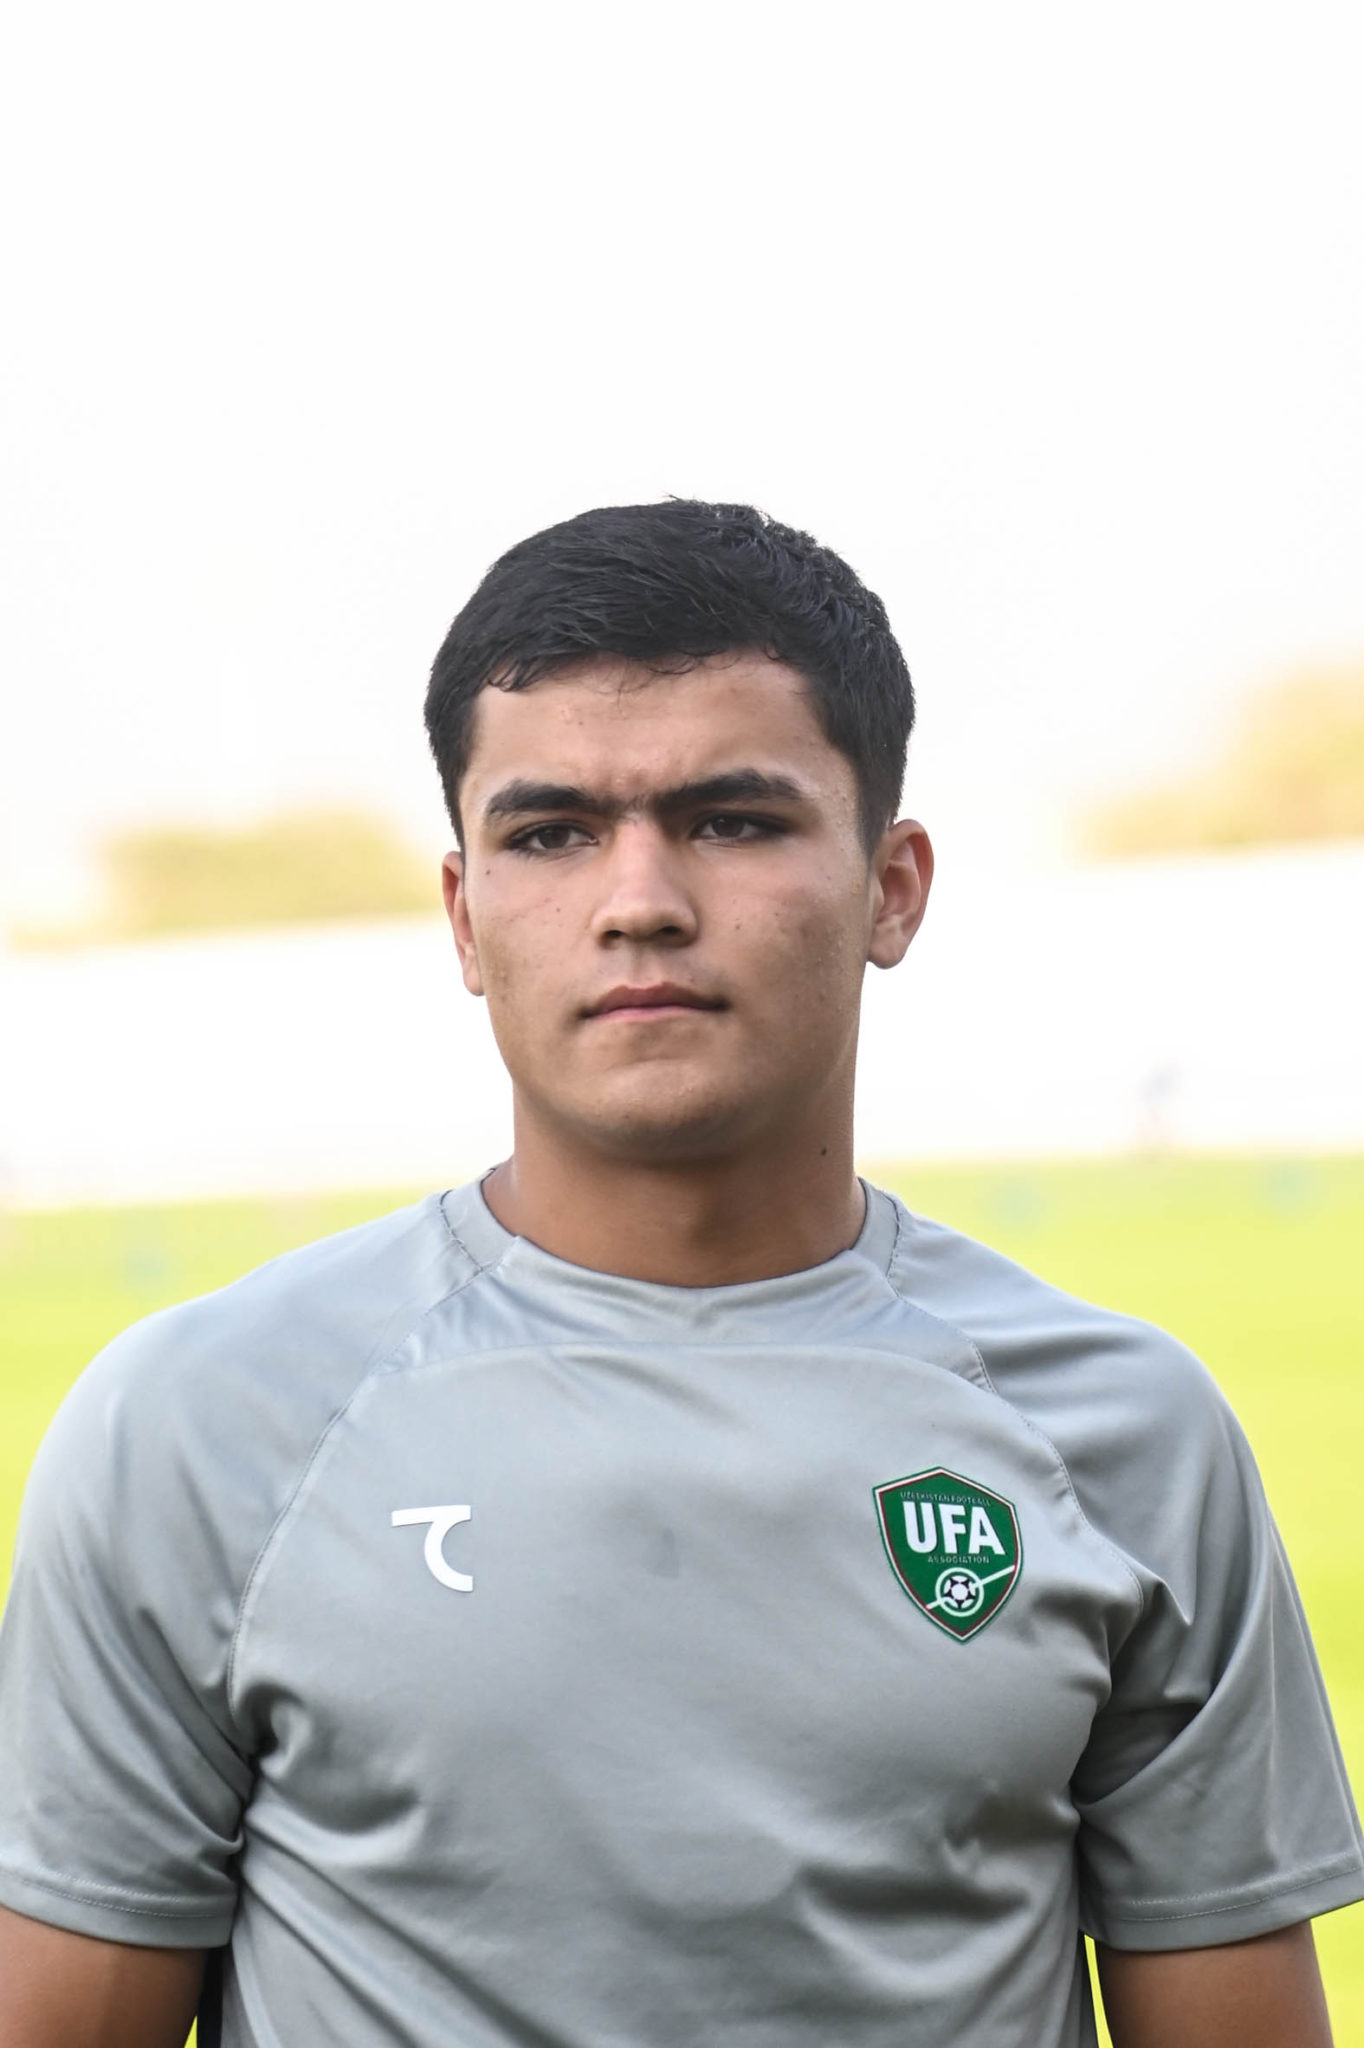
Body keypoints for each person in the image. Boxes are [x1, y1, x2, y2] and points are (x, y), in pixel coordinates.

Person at [0, 500, 1359, 2048]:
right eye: (550, 833)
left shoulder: (1129, 1432)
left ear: (893, 887)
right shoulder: (200, 1425)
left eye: (733, 820)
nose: (638, 899)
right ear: (464, 915)